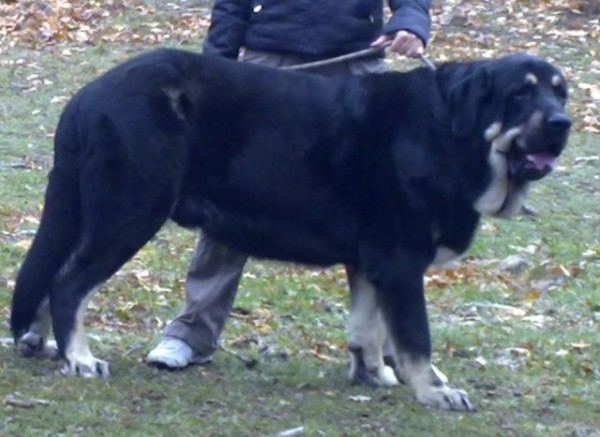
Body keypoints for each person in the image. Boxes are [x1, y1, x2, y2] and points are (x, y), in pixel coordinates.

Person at [146, 0, 432, 368]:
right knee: (232, 195)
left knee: (376, 211)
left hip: (357, 66)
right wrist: (216, 70)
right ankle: (191, 332)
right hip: (267, 68)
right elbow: (231, 6)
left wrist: (410, 23)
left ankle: (389, 347)